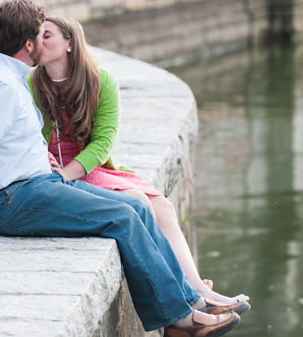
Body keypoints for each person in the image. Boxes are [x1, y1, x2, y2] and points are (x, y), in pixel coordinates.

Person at [0, 0, 243, 337]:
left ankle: (191, 300)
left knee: (138, 206)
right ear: (29, 44)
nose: (43, 42)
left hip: (30, 188)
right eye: (39, 34)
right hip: (14, 197)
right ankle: (178, 320)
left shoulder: (6, 77)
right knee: (122, 217)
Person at [29, 16, 249, 312]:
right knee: (137, 201)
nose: (38, 43)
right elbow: (27, 137)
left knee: (163, 207)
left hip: (87, 166)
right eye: (36, 37)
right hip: (52, 172)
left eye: (47, 36)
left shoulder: (100, 80)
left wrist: (68, 174)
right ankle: (189, 296)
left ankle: (199, 289)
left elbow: (104, 141)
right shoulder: (33, 84)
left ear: (69, 42)